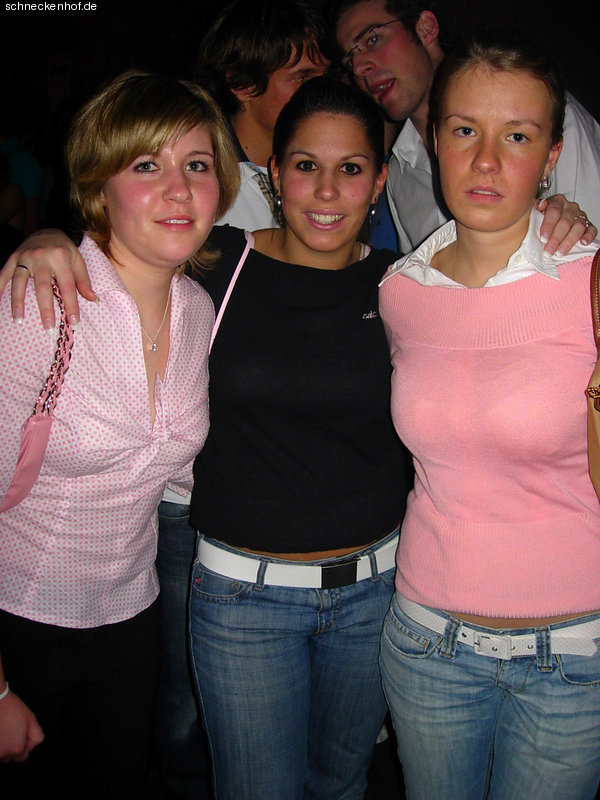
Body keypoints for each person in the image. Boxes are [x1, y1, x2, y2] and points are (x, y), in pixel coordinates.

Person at [0, 69, 239, 799]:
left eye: (196, 165)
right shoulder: (38, 305)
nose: (179, 189)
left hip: (132, 624)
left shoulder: (198, 311)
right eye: (146, 165)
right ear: (98, 186)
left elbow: (174, 469)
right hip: (20, 623)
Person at [378, 31, 600, 799]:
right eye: (466, 130)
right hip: (426, 641)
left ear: (552, 155)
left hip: (576, 651)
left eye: (518, 137)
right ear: (435, 139)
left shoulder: (591, 282)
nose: (485, 161)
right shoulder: (401, 292)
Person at [330, 0, 600, 255]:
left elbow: (590, 248)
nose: (359, 67)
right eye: (349, 60)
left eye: (373, 39)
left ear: (425, 28)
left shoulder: (541, 115)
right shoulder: (400, 175)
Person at [196, 0, 331, 231]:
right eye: (302, 78)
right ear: (243, 85)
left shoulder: (330, 169)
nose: (322, 91)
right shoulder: (203, 181)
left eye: (325, 76)